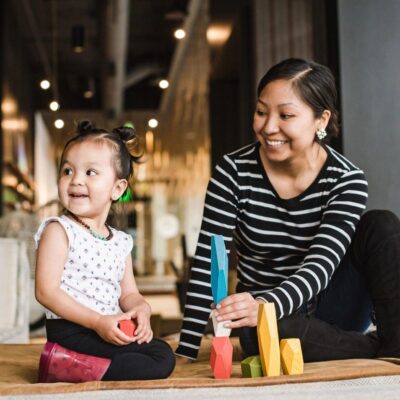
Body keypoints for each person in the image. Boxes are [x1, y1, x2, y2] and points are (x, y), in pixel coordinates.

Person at [175, 58, 400, 363]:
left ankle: (392, 345)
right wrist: (187, 350)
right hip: (268, 323)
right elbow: (208, 262)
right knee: (274, 332)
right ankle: (381, 347)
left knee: (381, 224)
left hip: (332, 306)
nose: (268, 127)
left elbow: (320, 265)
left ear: (321, 120)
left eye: (286, 115)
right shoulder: (233, 173)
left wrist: (268, 303)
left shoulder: (346, 179)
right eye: (261, 112)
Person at [35, 120, 175, 381]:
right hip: (71, 331)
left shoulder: (120, 241)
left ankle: (74, 366)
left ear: (117, 188)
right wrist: (97, 322)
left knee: (162, 352)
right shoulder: (59, 230)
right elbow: (46, 291)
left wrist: (142, 309)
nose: (75, 180)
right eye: (67, 170)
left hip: (106, 327)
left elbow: (129, 293)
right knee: (154, 362)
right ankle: (62, 361)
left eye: (90, 172)